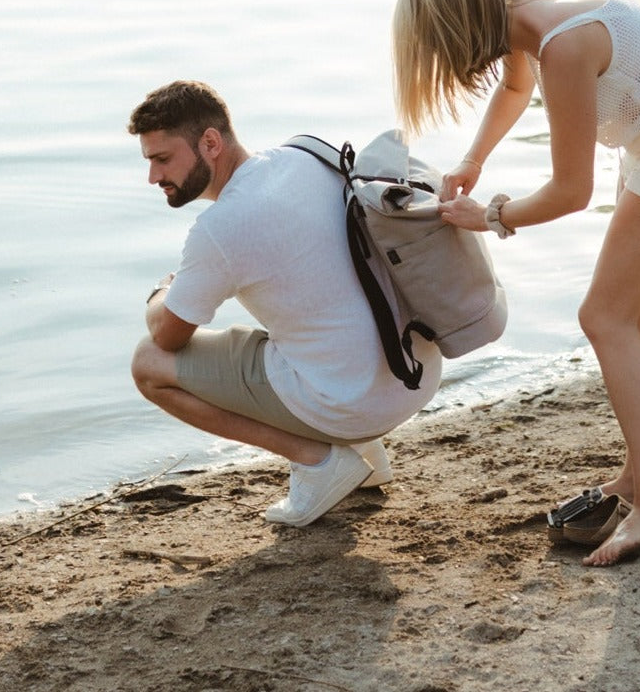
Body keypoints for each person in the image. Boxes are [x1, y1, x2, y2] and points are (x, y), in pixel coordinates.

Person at [392, 0, 640, 566]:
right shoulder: (520, 14)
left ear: (457, 30)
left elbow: (568, 193)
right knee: (635, 312)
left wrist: (493, 216)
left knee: (604, 317)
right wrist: (474, 161)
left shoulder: (563, 45)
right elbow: (514, 85)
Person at [128, 80, 443, 527]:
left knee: (148, 363)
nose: (154, 177)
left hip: (353, 404)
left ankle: (318, 461)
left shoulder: (220, 228)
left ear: (210, 143)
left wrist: (161, 293)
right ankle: (366, 455)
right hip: (415, 374)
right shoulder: (308, 156)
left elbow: (168, 336)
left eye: (162, 159)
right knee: (302, 324)